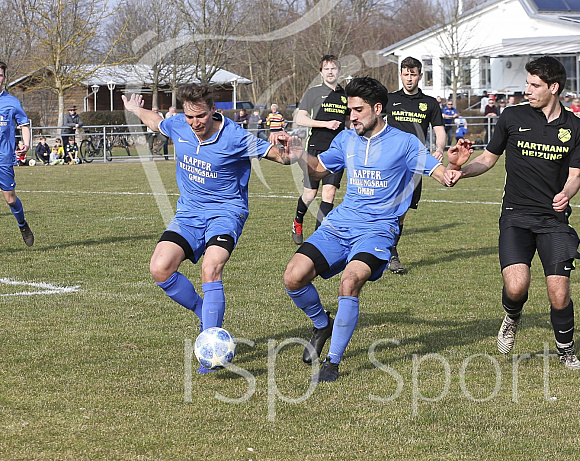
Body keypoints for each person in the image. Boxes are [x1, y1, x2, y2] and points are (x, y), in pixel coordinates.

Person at [281, 76, 470, 383]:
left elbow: (443, 177)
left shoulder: (406, 143)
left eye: (358, 109)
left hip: (378, 230)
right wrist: (300, 154)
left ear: (377, 109)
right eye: (349, 109)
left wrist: (456, 167)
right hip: (341, 223)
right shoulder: (346, 139)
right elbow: (318, 170)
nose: (351, 116)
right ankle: (321, 323)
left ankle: (332, 363)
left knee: (350, 281)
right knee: (293, 277)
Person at [121, 83, 292, 374]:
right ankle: (205, 315)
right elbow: (156, 121)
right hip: (188, 214)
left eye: (200, 116)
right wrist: (135, 109)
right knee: (159, 268)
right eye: (189, 117)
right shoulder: (179, 125)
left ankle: (211, 349)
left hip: (226, 213)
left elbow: (280, 156)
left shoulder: (235, 137)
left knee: (211, 267)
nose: (195, 123)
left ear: (213, 110)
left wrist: (289, 149)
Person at [447, 56, 580, 370]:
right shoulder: (512, 117)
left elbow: (576, 174)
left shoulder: (576, 128)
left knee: (558, 292)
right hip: (515, 215)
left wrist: (566, 193)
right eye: (527, 83)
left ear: (553, 87)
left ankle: (566, 350)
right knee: (516, 286)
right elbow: (487, 159)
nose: (527, 90)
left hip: (553, 221)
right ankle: (512, 317)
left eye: (534, 85)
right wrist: (460, 171)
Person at [384, 56, 446, 273]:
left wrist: (439, 149)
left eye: (413, 74)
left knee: (401, 212)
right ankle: (386, 253)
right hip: (388, 162)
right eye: (406, 74)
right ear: (400, 75)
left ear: (420, 76)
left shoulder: (429, 103)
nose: (409, 79)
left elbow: (439, 131)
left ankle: (391, 252)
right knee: (383, 206)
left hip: (414, 164)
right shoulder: (389, 99)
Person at [291, 55, 349, 244]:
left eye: (334, 68)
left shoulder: (345, 96)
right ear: (321, 72)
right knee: (310, 194)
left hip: (338, 150)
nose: (330, 72)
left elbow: (349, 120)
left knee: (329, 192)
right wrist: (325, 124)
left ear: (339, 71)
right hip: (315, 148)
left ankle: (318, 236)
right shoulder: (313, 92)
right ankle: (297, 221)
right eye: (327, 69)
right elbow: (300, 119)